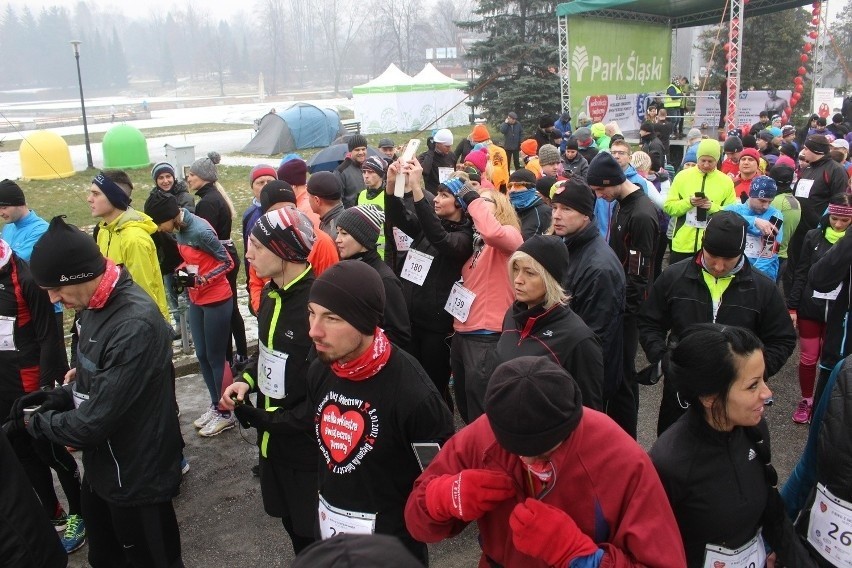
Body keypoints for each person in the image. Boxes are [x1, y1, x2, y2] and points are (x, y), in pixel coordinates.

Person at [13, 216, 183, 567]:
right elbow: (98, 380)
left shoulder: (133, 323)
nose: (54, 299)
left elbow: (92, 423)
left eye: (55, 289)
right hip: (104, 467)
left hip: (137, 480)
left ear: (78, 275)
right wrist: (60, 395)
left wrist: (38, 423)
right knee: (104, 559)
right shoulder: (93, 304)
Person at [404, 356, 686, 568]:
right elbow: (417, 523)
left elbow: (664, 561)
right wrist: (443, 497)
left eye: (543, 452)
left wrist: (579, 557)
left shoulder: (621, 459)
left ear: (570, 427)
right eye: (515, 450)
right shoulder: (484, 433)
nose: (527, 460)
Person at [306, 260, 455, 564]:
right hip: (332, 536)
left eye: (331, 318)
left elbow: (439, 479)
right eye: (311, 313)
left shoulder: (415, 396)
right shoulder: (321, 369)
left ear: (364, 322)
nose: (314, 331)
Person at [650, 324, 815, 568]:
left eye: (763, 380)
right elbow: (655, 550)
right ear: (709, 397)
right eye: (752, 385)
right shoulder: (669, 463)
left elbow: (773, 514)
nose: (767, 393)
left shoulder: (754, 431)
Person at [638, 211, 797, 435]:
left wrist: (753, 375)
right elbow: (649, 323)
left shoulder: (763, 289)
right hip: (682, 390)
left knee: (728, 459)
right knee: (674, 455)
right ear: (703, 245)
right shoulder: (674, 277)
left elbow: (782, 338)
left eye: (728, 260)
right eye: (712, 257)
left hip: (735, 395)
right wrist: (664, 359)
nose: (719, 266)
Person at [220, 208, 319, 555]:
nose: (247, 255)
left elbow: (327, 396)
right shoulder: (272, 294)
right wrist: (247, 380)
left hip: (306, 451)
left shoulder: (318, 307)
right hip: (273, 443)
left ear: (285, 251)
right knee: (291, 525)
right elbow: (265, 352)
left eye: (257, 247)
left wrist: (271, 421)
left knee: (314, 534)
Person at [0, 237, 82, 553]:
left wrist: (48, 387)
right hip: (3, 384)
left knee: (48, 451)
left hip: (30, 382)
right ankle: (52, 511)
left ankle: (79, 511)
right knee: (20, 453)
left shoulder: (25, 277)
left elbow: (50, 336)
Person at [145, 191, 235, 437]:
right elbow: (193, 260)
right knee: (202, 355)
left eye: (157, 221)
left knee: (217, 358)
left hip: (216, 298)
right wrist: (182, 271)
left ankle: (226, 412)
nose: (157, 227)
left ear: (170, 216)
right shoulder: (178, 230)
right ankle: (215, 403)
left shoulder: (200, 231)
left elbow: (228, 262)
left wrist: (203, 278)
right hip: (196, 298)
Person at [385, 161, 473, 411]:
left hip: (436, 329)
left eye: (444, 195)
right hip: (411, 321)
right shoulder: (429, 229)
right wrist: (391, 184)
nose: (437, 199)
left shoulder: (463, 238)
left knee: (434, 388)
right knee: (410, 383)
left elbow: (440, 238)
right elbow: (397, 218)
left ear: (459, 203)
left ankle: (442, 438)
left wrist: (417, 187)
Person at [587, 152, 659, 438]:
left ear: (614, 181)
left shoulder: (641, 213)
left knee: (624, 377)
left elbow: (640, 271)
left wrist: (626, 311)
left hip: (629, 309)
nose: (598, 195)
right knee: (613, 373)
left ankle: (626, 439)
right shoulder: (619, 203)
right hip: (617, 300)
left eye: (600, 189)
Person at [496, 235, 603, 409]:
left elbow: (589, 411)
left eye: (529, 273)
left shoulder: (578, 339)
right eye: (516, 269)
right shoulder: (512, 315)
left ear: (550, 279)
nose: (518, 279)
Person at [445, 184, 523, 423]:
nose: (473, 208)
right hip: (463, 333)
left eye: (483, 202)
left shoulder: (509, 235)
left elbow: (493, 233)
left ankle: (488, 458)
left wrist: (473, 199)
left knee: (483, 409)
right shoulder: (476, 244)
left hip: (488, 335)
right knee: (466, 404)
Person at [550, 178, 625, 406]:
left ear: (586, 215)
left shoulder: (598, 267)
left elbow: (594, 337)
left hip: (583, 380)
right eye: (554, 208)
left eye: (566, 209)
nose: (556, 215)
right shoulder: (568, 246)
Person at [787, 193, 852, 424]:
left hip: (838, 313)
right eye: (834, 218)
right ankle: (806, 400)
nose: (838, 224)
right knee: (808, 357)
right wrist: (793, 306)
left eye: (845, 221)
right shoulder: (814, 236)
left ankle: (827, 401)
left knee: (831, 359)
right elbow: (802, 271)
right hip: (811, 307)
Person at [187, 154, 248, 365]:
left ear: (203, 177)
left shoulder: (207, 203)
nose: (188, 178)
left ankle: (229, 358)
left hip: (220, 259)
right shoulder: (215, 196)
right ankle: (240, 352)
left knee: (224, 311)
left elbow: (205, 238)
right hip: (228, 252)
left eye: (192, 174)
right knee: (231, 309)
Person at [247, 181, 339, 314]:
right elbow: (256, 282)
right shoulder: (261, 241)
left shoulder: (321, 241)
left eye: (290, 209)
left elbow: (331, 288)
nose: (283, 216)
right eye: (275, 213)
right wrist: (262, 310)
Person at [89, 171, 169, 321]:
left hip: (140, 325)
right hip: (116, 320)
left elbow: (143, 293)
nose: (89, 199)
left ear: (114, 197)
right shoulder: (103, 231)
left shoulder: (134, 239)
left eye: (96, 194)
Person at [335, 204, 410, 347]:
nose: (337, 239)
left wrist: (363, 351)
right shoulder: (345, 270)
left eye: (344, 233)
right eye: (338, 232)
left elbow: (399, 335)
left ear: (363, 237)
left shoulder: (384, 280)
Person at [788, 135, 850, 295]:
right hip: (799, 229)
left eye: (807, 149)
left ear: (816, 150)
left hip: (818, 231)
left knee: (811, 270)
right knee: (796, 268)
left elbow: (840, 202)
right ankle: (792, 301)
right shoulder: (807, 169)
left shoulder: (835, 170)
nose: (803, 152)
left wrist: (826, 226)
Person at [665, 139, 737, 264]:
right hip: (682, 244)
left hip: (711, 246)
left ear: (717, 160)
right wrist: (689, 202)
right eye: (702, 160)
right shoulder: (682, 177)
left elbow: (732, 214)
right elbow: (669, 207)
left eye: (710, 161)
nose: (706, 165)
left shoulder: (726, 182)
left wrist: (712, 207)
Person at [148, 163, 195, 320]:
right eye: (160, 178)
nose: (165, 181)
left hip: (184, 257)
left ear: (174, 177)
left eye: (168, 176)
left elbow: (185, 226)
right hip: (166, 259)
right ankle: (179, 325)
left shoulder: (184, 197)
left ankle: (189, 327)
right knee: (173, 294)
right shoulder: (153, 200)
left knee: (188, 292)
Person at [724, 175, 784, 281]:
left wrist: (751, 275)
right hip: (731, 272)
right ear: (751, 195)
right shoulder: (733, 209)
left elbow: (770, 253)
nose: (766, 206)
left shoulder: (775, 215)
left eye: (770, 202)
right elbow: (719, 218)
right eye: (762, 201)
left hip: (762, 276)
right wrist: (753, 221)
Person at [355, 156, 389, 257]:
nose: (366, 176)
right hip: (364, 248)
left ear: (380, 174)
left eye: (370, 172)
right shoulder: (361, 195)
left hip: (385, 250)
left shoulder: (389, 195)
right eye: (364, 172)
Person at [507, 168, 550, 239]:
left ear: (531, 188)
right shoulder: (507, 210)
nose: (512, 190)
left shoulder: (544, 212)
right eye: (509, 186)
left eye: (518, 185)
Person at [335, 134, 369, 207]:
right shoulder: (341, 171)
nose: (361, 152)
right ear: (350, 151)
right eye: (357, 150)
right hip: (351, 216)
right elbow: (337, 201)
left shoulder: (370, 168)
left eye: (363, 149)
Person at [418, 129, 457, 194]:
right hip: (433, 194)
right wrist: (431, 151)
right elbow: (424, 171)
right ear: (438, 144)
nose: (449, 149)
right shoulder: (425, 157)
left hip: (449, 193)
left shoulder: (451, 156)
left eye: (450, 146)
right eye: (446, 146)